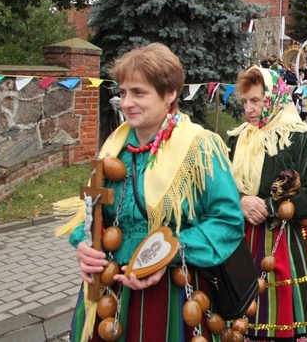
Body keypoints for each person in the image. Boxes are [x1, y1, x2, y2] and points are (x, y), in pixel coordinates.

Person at [56, 43, 245, 341]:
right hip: (109, 288)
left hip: (169, 292)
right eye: (123, 92)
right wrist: (85, 245)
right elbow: (92, 213)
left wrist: (165, 254)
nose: (126, 102)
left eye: (139, 93)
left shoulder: (199, 147)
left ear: (169, 94)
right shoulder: (114, 147)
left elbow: (227, 221)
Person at [227, 66, 307, 340]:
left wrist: (270, 207)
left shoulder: (300, 137)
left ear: (272, 98)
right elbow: (220, 190)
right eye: (245, 101)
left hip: (284, 242)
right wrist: (241, 201)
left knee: (283, 323)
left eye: (256, 101)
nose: (249, 109)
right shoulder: (237, 139)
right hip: (239, 241)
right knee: (237, 324)